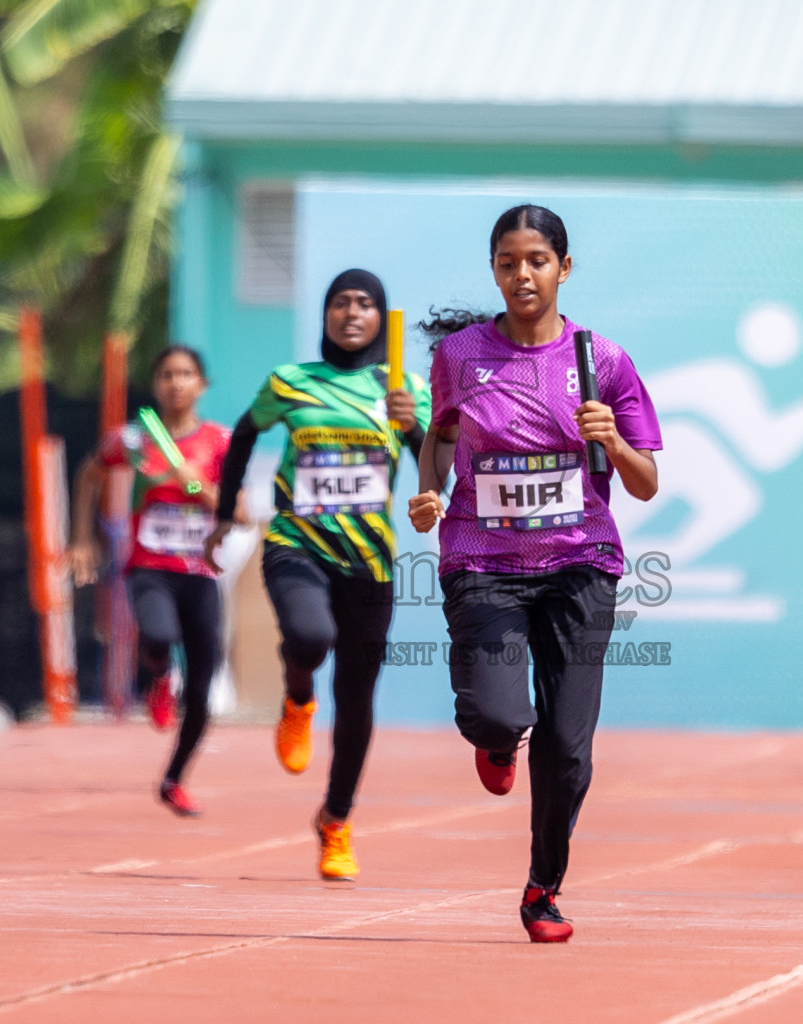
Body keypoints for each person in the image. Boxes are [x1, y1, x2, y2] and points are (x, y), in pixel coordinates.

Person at [408, 205, 662, 943]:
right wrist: (428, 490)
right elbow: (440, 438)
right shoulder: (460, 355)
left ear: (564, 268)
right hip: (482, 561)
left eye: (537, 261)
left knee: (569, 750)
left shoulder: (602, 360)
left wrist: (611, 441)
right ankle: (493, 739)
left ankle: (543, 887)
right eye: (508, 262)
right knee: (502, 715)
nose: (523, 274)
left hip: (581, 565)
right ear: (494, 269)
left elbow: (644, 484)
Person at [205, 269, 431, 882]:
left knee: (357, 698)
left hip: (370, 561)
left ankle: (336, 820)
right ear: (326, 314)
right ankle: (298, 696)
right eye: (340, 302)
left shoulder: (403, 388)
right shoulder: (292, 382)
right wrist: (227, 510)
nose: (351, 313)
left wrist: (413, 428)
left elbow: (437, 462)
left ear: (381, 319)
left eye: (364, 304)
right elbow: (246, 433)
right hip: (296, 543)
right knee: (310, 637)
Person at [71, 345, 230, 817]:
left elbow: (237, 510)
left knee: (202, 689)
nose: (176, 383)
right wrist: (82, 537)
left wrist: (195, 484)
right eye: (166, 374)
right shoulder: (138, 439)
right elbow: (89, 475)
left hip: (201, 574)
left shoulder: (221, 442)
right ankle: (160, 676)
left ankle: (175, 778)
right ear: (156, 384)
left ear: (202, 384)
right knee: (158, 634)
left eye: (186, 374)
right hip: (149, 568)